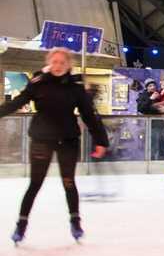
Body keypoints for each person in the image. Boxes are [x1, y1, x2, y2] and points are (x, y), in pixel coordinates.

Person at [1, 48, 109, 243]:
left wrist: (101, 140)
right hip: (42, 139)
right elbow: (17, 102)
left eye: (62, 63)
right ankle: (21, 226)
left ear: (68, 65)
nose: (58, 66)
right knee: (35, 183)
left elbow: (89, 115)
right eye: (55, 62)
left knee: (68, 183)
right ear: (49, 62)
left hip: (68, 140)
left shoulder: (75, 87)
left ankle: (75, 222)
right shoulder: (38, 83)